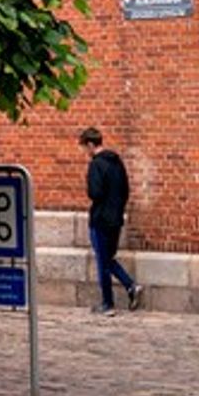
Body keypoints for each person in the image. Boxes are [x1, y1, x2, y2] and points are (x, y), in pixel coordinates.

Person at [81, 126, 141, 313]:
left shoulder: (96, 164)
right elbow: (125, 191)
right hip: (116, 218)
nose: (85, 152)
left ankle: (108, 304)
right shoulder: (117, 163)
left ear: (91, 145)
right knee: (108, 259)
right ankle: (131, 286)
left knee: (103, 262)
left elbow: (95, 193)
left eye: (85, 147)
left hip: (100, 219)